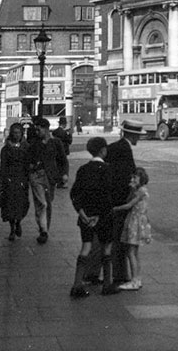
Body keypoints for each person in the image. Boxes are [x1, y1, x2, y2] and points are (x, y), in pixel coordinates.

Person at [69, 136, 119, 298]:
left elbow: (75, 194)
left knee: (86, 247)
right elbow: (107, 196)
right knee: (106, 248)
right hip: (103, 216)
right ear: (103, 151)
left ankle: (77, 285)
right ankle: (107, 284)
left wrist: (82, 213)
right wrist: (99, 216)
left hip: (86, 216)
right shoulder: (108, 170)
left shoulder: (83, 170)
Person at [106, 120, 143, 283]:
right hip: (120, 199)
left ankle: (119, 274)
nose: (139, 139)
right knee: (120, 239)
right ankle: (120, 275)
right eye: (137, 136)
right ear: (131, 134)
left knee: (118, 239)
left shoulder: (117, 146)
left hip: (114, 198)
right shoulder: (124, 149)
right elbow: (124, 176)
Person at [27, 117, 68, 244]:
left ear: (46, 129)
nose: (37, 131)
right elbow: (28, 159)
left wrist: (64, 174)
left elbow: (63, 160)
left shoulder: (56, 143)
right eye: (36, 129)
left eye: (39, 129)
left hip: (50, 178)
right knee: (42, 203)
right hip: (36, 177)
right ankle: (43, 230)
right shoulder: (34, 143)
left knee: (48, 204)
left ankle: (44, 229)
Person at [113, 167, 151, 290]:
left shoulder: (140, 191)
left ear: (140, 178)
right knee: (135, 252)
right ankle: (137, 278)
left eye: (135, 177)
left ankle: (134, 280)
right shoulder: (142, 190)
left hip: (135, 222)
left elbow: (129, 204)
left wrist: (115, 208)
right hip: (140, 222)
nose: (132, 179)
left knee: (130, 252)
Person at [0, 122, 30, 240]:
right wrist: (1, 181)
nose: (16, 135)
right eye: (14, 133)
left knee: (21, 204)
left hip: (22, 178)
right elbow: (3, 166)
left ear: (22, 134)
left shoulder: (26, 147)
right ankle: (12, 228)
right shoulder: (6, 149)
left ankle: (18, 222)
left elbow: (28, 164)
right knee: (9, 205)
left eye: (18, 133)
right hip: (9, 179)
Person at [52, 117, 73, 187]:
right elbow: (69, 141)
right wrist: (70, 134)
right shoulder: (65, 133)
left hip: (56, 152)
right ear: (64, 124)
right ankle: (63, 182)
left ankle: (58, 181)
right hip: (64, 151)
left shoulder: (55, 132)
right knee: (64, 167)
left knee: (57, 166)